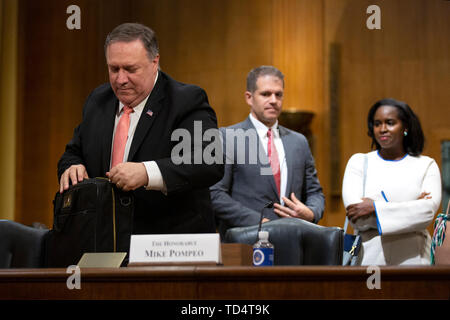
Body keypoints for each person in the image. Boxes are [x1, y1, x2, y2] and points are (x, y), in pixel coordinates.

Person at [58, 23, 223, 234]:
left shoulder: (186, 100)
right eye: (114, 69)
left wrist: (147, 172)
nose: (120, 79)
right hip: (103, 238)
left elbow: (209, 163)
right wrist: (72, 166)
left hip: (166, 242)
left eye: (130, 69)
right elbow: (73, 152)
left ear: (155, 62)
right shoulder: (98, 100)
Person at [210, 66, 325, 237]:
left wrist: (311, 212)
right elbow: (215, 194)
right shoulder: (227, 137)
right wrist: (261, 223)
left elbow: (315, 192)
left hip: (293, 240)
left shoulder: (299, 141)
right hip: (246, 242)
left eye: (278, 94)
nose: (273, 100)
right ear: (249, 98)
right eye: (265, 94)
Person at [342, 98, 442, 265]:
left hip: (414, 259)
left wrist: (374, 207)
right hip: (369, 261)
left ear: (405, 127)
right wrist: (411, 206)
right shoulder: (358, 162)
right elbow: (356, 217)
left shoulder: (426, 165)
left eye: (390, 123)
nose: (382, 129)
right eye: (377, 124)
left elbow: (426, 213)